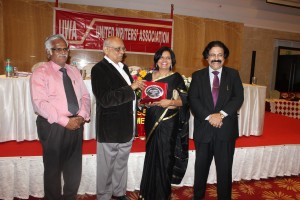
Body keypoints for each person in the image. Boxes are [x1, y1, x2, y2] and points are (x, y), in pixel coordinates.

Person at [30, 34, 91, 200]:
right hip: (53, 126)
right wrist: (65, 121)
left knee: (73, 169)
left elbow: (85, 97)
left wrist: (82, 116)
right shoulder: (41, 72)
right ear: (49, 52)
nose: (64, 53)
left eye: (66, 49)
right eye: (59, 49)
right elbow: (39, 103)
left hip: (76, 124)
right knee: (53, 170)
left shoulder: (74, 71)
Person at [188, 41, 244, 200]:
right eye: (212, 55)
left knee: (225, 170)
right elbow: (193, 99)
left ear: (225, 57)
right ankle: (197, 197)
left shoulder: (233, 74)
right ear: (206, 57)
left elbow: (238, 97)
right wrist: (209, 116)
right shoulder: (197, 76)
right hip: (204, 130)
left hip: (225, 130)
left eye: (220, 55)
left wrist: (221, 114)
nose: (216, 58)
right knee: (200, 170)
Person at [91, 36, 145, 200]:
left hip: (126, 126)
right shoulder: (99, 69)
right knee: (106, 167)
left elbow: (129, 96)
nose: (122, 52)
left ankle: (119, 193)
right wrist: (132, 88)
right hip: (110, 127)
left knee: (121, 163)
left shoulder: (124, 67)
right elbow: (105, 99)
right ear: (105, 49)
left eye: (123, 48)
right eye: (118, 49)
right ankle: (104, 196)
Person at [138, 46, 190, 200]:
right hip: (151, 119)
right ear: (156, 60)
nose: (164, 60)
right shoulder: (147, 76)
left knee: (165, 157)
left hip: (168, 122)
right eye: (161, 57)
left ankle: (162, 194)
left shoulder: (176, 78)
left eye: (168, 58)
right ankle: (147, 193)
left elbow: (186, 101)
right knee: (151, 155)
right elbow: (141, 101)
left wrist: (171, 102)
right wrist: (144, 104)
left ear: (172, 61)